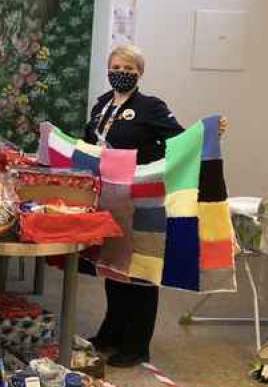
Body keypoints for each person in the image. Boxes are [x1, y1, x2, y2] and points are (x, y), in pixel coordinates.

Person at [84, 44, 227, 368]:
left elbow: (179, 139)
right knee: (116, 267)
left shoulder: (150, 107)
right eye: (117, 66)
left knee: (143, 272)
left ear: (140, 73)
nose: (122, 73)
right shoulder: (102, 105)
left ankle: (136, 345)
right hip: (111, 199)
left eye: (130, 68)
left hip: (143, 200)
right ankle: (111, 333)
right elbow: (89, 142)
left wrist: (207, 133)